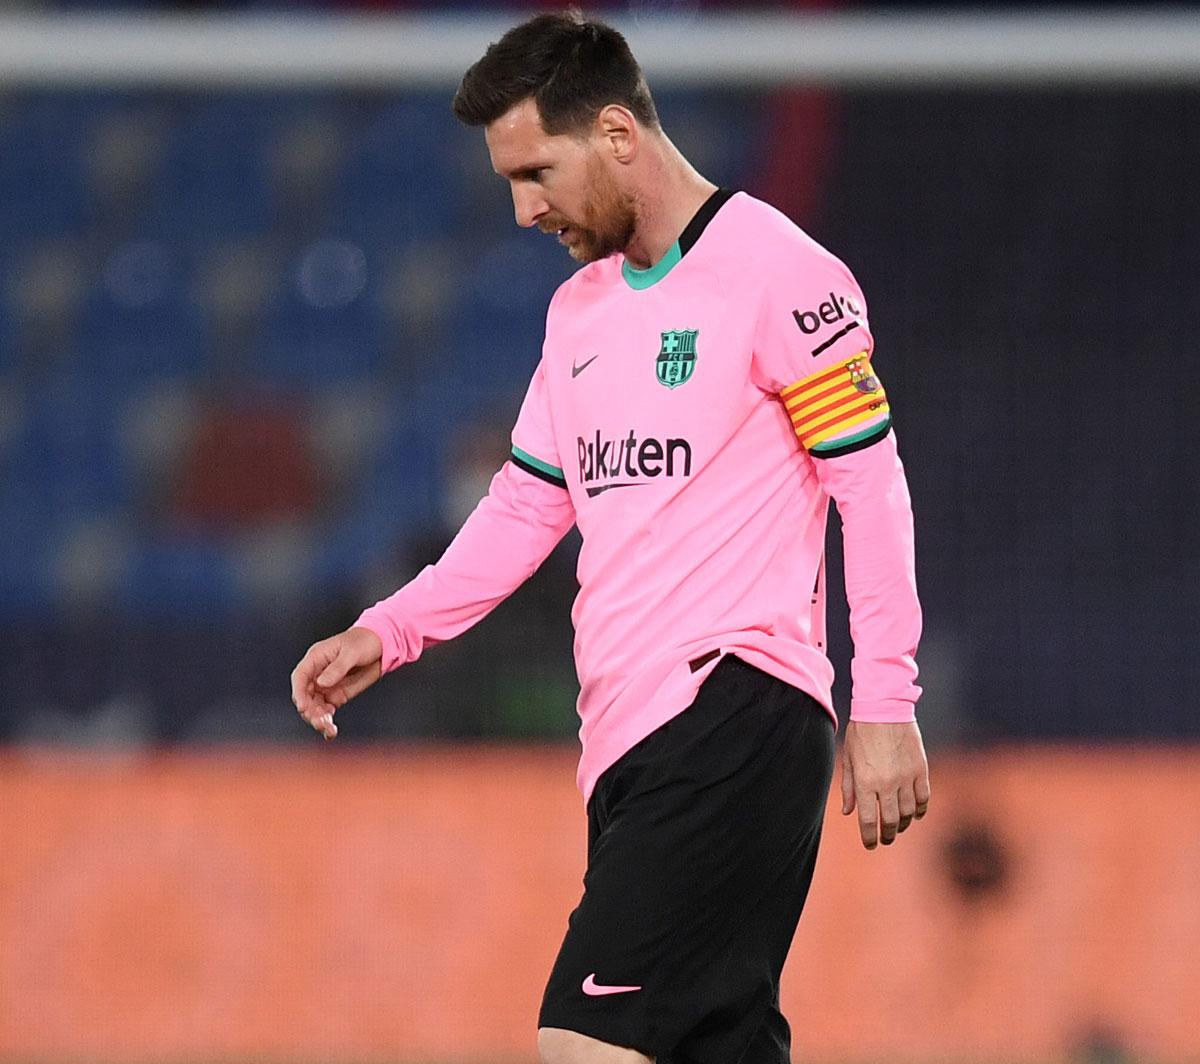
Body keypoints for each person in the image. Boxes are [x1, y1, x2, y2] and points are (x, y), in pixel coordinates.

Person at [291, 11, 930, 1064]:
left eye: (537, 171)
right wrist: (392, 629)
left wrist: (889, 699)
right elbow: (527, 504)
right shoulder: (580, 313)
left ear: (619, 136)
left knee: (584, 1034)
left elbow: (871, 487)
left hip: (737, 703)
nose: (522, 208)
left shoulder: (781, 272)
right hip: (627, 743)